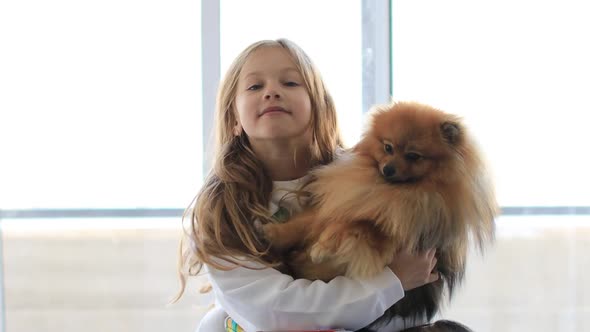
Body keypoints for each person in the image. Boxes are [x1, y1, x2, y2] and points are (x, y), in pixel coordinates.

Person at [174, 38, 439, 332]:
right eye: (254, 87)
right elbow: (273, 311)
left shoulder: (373, 179)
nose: (272, 92)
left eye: (290, 83)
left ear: (319, 106)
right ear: (233, 118)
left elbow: (417, 283)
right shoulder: (222, 209)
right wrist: (392, 282)